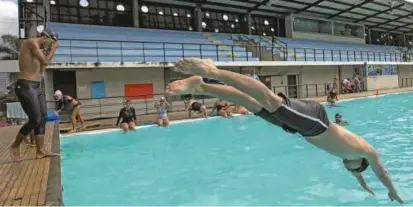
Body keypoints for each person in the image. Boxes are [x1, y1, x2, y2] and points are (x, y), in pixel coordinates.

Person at [166, 58, 403, 203]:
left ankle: (203, 86)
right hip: (315, 123)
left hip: (300, 128)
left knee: (252, 105)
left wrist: (365, 185)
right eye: (355, 169)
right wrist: (392, 191)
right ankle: (212, 71)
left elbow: (360, 177)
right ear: (359, 162)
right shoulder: (365, 151)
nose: (350, 169)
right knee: (269, 100)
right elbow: (381, 172)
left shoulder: (348, 158)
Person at [9, 29, 60, 161]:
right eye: (51, 42)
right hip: (25, 85)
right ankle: (15, 145)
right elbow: (45, 62)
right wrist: (53, 49)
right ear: (44, 37)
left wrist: (49, 51)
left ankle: (40, 151)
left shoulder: (39, 51)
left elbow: (42, 68)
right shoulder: (30, 43)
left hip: (37, 86)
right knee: (35, 119)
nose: (51, 45)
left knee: (42, 118)